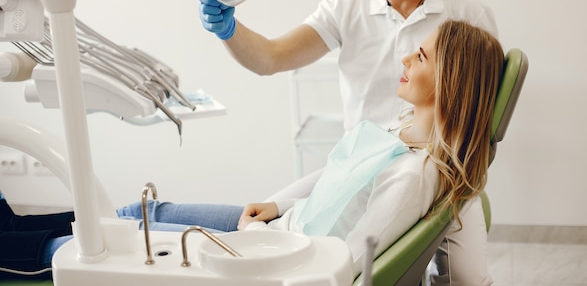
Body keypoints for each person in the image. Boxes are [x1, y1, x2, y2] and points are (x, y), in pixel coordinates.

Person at [1, 21, 502, 283]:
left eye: (421, 56)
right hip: (283, 227)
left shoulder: (416, 176)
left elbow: (344, 261)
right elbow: (337, 170)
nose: (404, 57)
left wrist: (260, 242)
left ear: (453, 83)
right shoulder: (404, 128)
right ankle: (10, 227)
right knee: (136, 213)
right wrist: (277, 205)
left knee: (98, 249)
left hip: (278, 256)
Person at [198, 0, 499, 285]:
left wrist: (452, 181)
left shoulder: (468, 17)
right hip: (362, 158)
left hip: (414, 167)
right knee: (274, 208)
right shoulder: (347, 5)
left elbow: (478, 112)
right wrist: (229, 31)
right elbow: (271, 58)